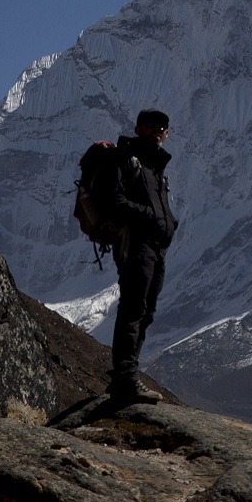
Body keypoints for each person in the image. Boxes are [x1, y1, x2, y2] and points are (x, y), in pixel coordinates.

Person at [101, 109, 178, 402]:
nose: (157, 128)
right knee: (133, 308)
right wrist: (149, 216)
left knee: (146, 312)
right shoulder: (125, 159)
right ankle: (125, 379)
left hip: (156, 248)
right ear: (137, 127)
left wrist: (169, 222)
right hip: (135, 244)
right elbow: (113, 201)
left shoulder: (156, 167)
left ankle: (125, 377)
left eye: (162, 124)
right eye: (150, 123)